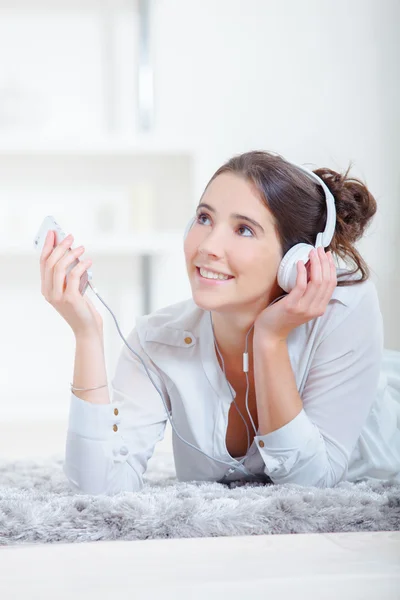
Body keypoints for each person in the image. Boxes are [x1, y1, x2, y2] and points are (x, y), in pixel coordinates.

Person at [39, 150, 400, 495]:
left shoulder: (345, 307)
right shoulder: (157, 341)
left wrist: (269, 340)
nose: (208, 245)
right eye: (204, 218)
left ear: (297, 260)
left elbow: (313, 485)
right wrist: (87, 334)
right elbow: (99, 488)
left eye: (244, 229)